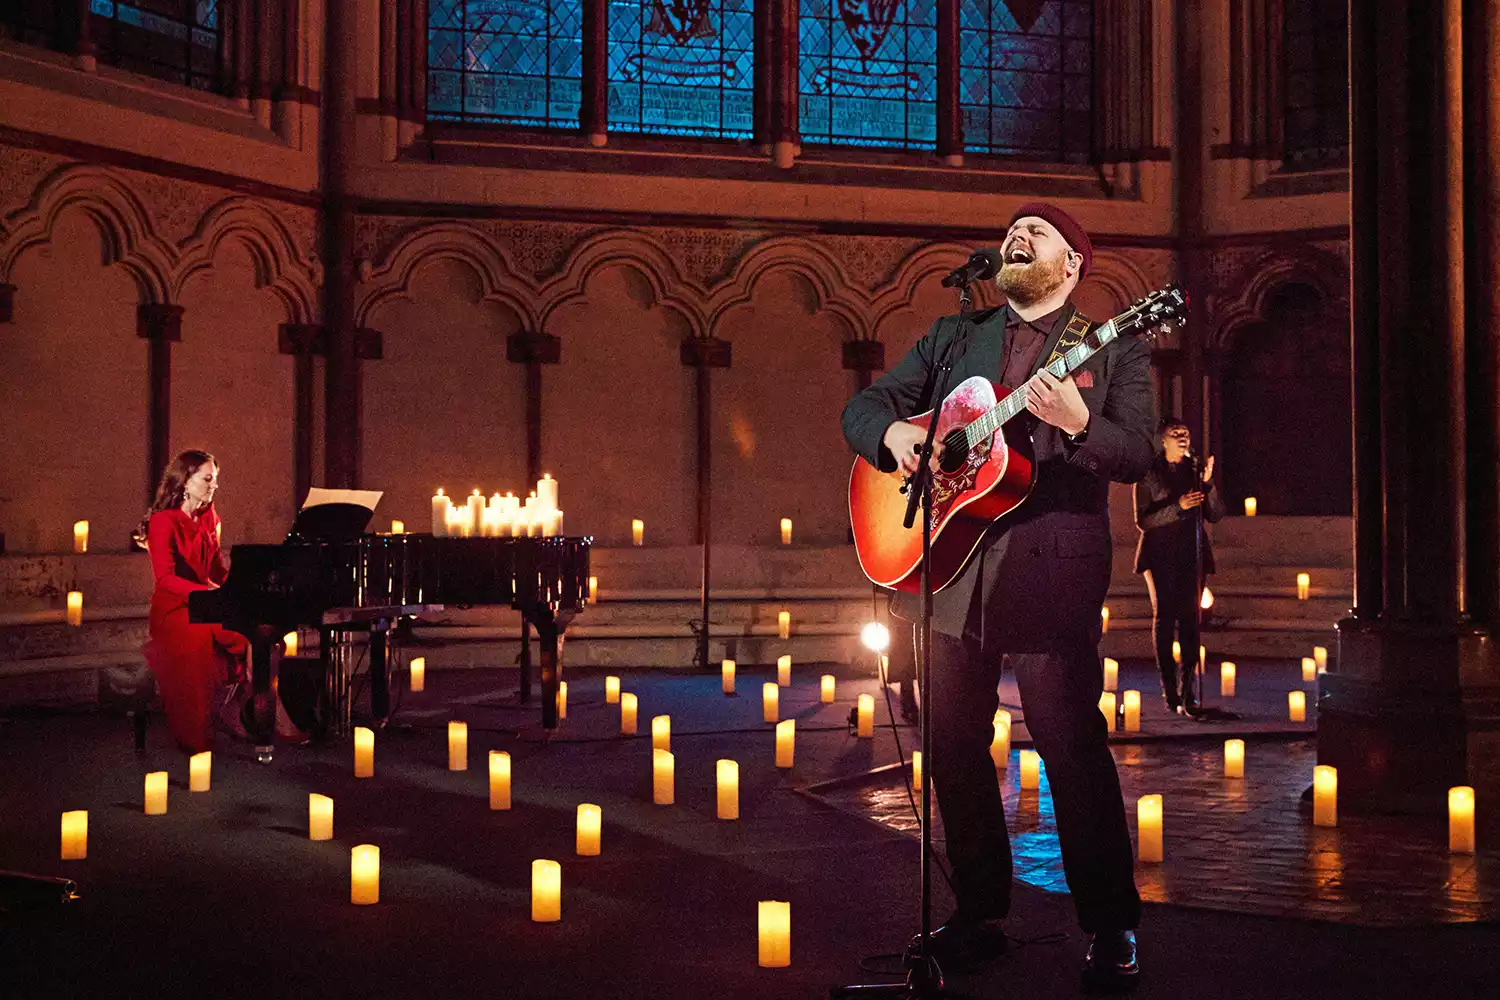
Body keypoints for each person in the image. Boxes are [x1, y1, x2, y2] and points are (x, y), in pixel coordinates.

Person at [842, 203, 1155, 990]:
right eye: (1014, 229)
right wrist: (899, 438)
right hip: (946, 570)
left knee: (1069, 748)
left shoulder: (1115, 345)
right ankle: (979, 911)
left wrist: (1081, 422)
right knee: (951, 747)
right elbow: (865, 406)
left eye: (1038, 231)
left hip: (1051, 567)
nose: (1020, 236)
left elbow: (1140, 451)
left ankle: (1111, 923)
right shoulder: (955, 338)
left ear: (1074, 263)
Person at [138, 450, 250, 753]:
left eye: (216, 479)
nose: (214, 486)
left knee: (256, 634)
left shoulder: (210, 518)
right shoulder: (164, 521)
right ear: (185, 481)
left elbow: (216, 570)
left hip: (206, 603)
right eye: (208, 478)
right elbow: (166, 580)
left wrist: (238, 591)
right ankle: (195, 734)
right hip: (174, 609)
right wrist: (207, 595)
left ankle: (237, 711)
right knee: (199, 639)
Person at [1133, 419, 1224, 714]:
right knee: (1165, 619)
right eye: (1176, 434)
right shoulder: (1148, 473)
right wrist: (1178, 507)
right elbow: (1143, 520)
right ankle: (1169, 692)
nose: (1183, 438)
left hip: (1191, 555)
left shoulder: (1194, 470)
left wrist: (1208, 485)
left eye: (1186, 433)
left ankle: (1188, 694)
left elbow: (1215, 515)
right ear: (1163, 440)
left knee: (1190, 621)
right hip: (1159, 556)